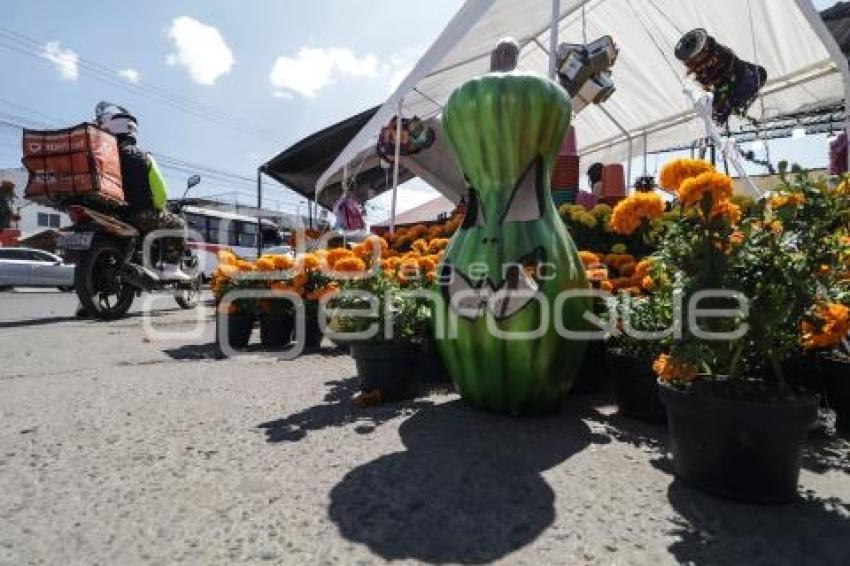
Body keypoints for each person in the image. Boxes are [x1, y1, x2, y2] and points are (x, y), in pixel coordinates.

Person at [94, 102, 190, 282]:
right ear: (132, 131)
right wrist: (160, 207)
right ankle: (171, 268)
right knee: (178, 225)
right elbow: (161, 194)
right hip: (138, 214)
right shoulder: (145, 157)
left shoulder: (101, 155)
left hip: (110, 213)